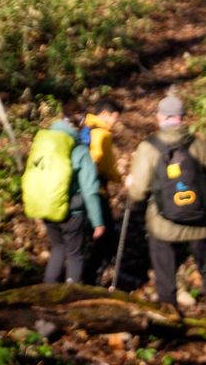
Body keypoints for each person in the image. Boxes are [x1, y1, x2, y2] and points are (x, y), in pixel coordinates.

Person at [126, 91, 206, 329]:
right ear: (182, 117)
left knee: (165, 273)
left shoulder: (148, 148)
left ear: (160, 118)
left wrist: (132, 191)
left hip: (162, 225)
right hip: (198, 222)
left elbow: (138, 193)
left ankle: (169, 318)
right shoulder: (198, 144)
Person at [41, 116, 106, 284]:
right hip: (72, 212)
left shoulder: (45, 143)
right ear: (79, 127)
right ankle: (72, 296)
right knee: (75, 255)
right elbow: (90, 190)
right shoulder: (79, 150)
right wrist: (97, 222)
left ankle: (48, 293)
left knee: (58, 248)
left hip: (47, 207)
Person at [80, 97, 123, 284]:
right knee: (106, 237)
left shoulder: (83, 127)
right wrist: (119, 177)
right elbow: (101, 163)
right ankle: (91, 279)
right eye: (114, 117)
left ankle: (80, 276)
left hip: (80, 191)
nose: (115, 122)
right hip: (96, 190)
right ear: (105, 114)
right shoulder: (102, 134)